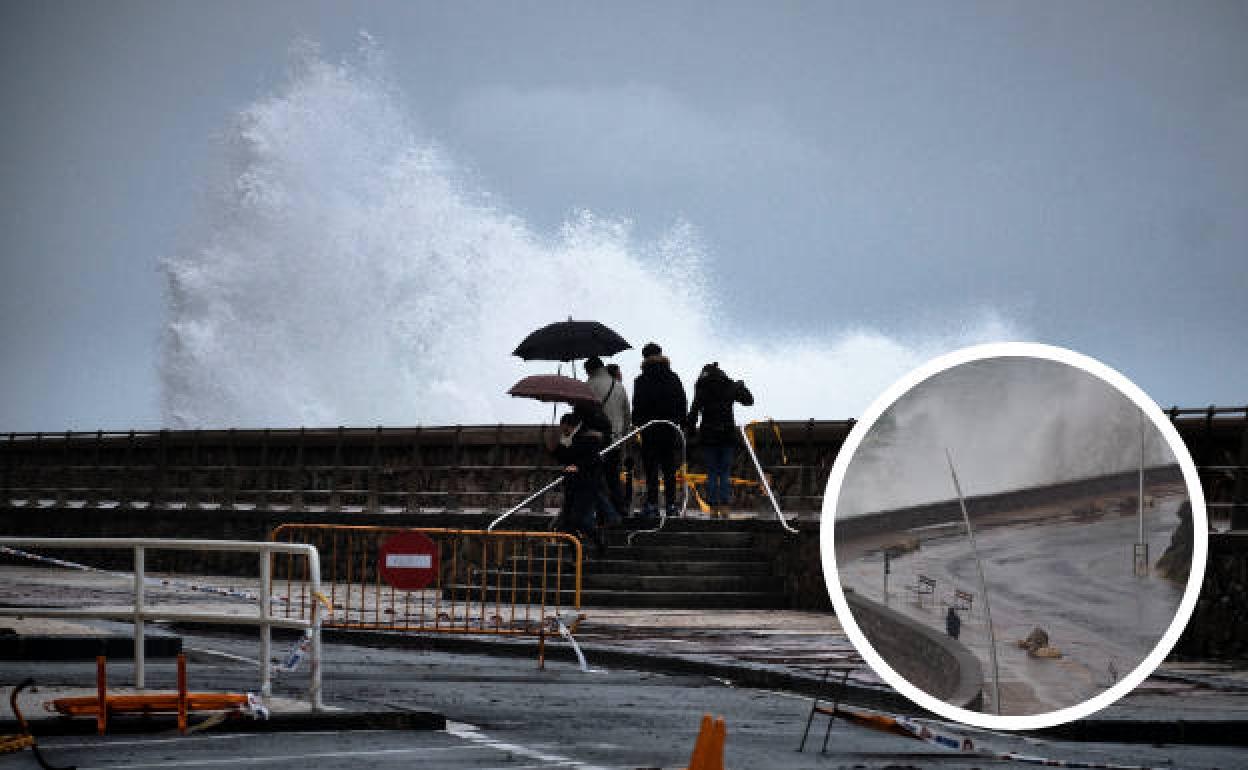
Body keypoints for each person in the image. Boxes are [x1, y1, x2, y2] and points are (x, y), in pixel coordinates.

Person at [686, 362, 753, 519]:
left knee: (711, 472)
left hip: (708, 437)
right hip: (727, 436)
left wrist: (689, 432)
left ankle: (713, 507)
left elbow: (694, 412)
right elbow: (749, 400)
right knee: (724, 472)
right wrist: (741, 386)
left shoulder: (702, 388)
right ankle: (724, 506)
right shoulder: (729, 386)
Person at [631, 342, 687, 519]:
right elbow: (682, 402)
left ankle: (652, 505)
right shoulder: (673, 377)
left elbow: (637, 406)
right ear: (661, 354)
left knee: (651, 470)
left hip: (650, 430)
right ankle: (671, 506)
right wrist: (679, 422)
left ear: (644, 358)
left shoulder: (641, 380)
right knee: (669, 469)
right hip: (669, 429)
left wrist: (638, 423)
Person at [548, 412, 610, 555]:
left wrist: (578, 466)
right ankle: (577, 555)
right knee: (567, 523)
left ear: (569, 425)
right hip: (572, 484)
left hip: (586, 484)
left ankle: (597, 538)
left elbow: (594, 459)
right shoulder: (568, 438)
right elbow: (565, 457)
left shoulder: (587, 437)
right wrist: (555, 449)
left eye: (563, 427)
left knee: (577, 519)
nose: (561, 430)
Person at [585, 356, 630, 515]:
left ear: (588, 370)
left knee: (593, 478)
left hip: (593, 440)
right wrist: (622, 437)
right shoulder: (618, 386)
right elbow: (626, 416)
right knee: (613, 477)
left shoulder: (587, 386)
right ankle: (620, 509)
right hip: (615, 440)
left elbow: (582, 414)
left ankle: (601, 512)